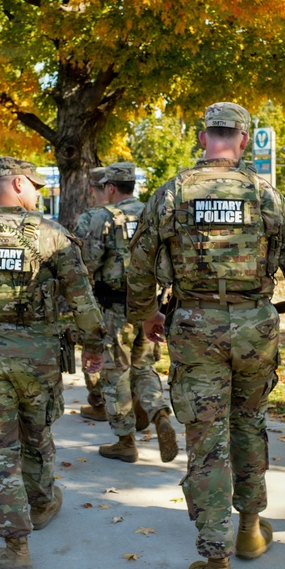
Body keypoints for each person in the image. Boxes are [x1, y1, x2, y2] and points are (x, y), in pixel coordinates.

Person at [128, 102, 285, 569]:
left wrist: (146, 314)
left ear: (203, 138)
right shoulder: (266, 194)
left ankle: (217, 564)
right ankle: (250, 530)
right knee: (250, 423)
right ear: (243, 139)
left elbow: (139, 265)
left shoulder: (172, 193)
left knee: (206, 439)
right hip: (256, 326)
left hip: (195, 326)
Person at [0, 157, 107, 569]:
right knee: (37, 431)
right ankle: (42, 502)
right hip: (39, 356)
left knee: (0, 448)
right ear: (16, 184)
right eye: (34, 186)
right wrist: (94, 345)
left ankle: (16, 546)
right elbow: (82, 298)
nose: (37, 194)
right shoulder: (51, 234)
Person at [81, 162, 177, 464]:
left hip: (114, 308)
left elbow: (89, 262)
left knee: (116, 373)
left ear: (111, 187)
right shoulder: (152, 213)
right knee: (144, 367)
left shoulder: (104, 217)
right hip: (149, 307)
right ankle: (159, 413)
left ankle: (125, 441)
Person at [73, 166, 112, 421]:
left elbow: (80, 260)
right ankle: (134, 399)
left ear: (91, 189)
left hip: (98, 294)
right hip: (133, 295)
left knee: (93, 343)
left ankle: (99, 402)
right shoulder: (134, 214)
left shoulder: (89, 219)